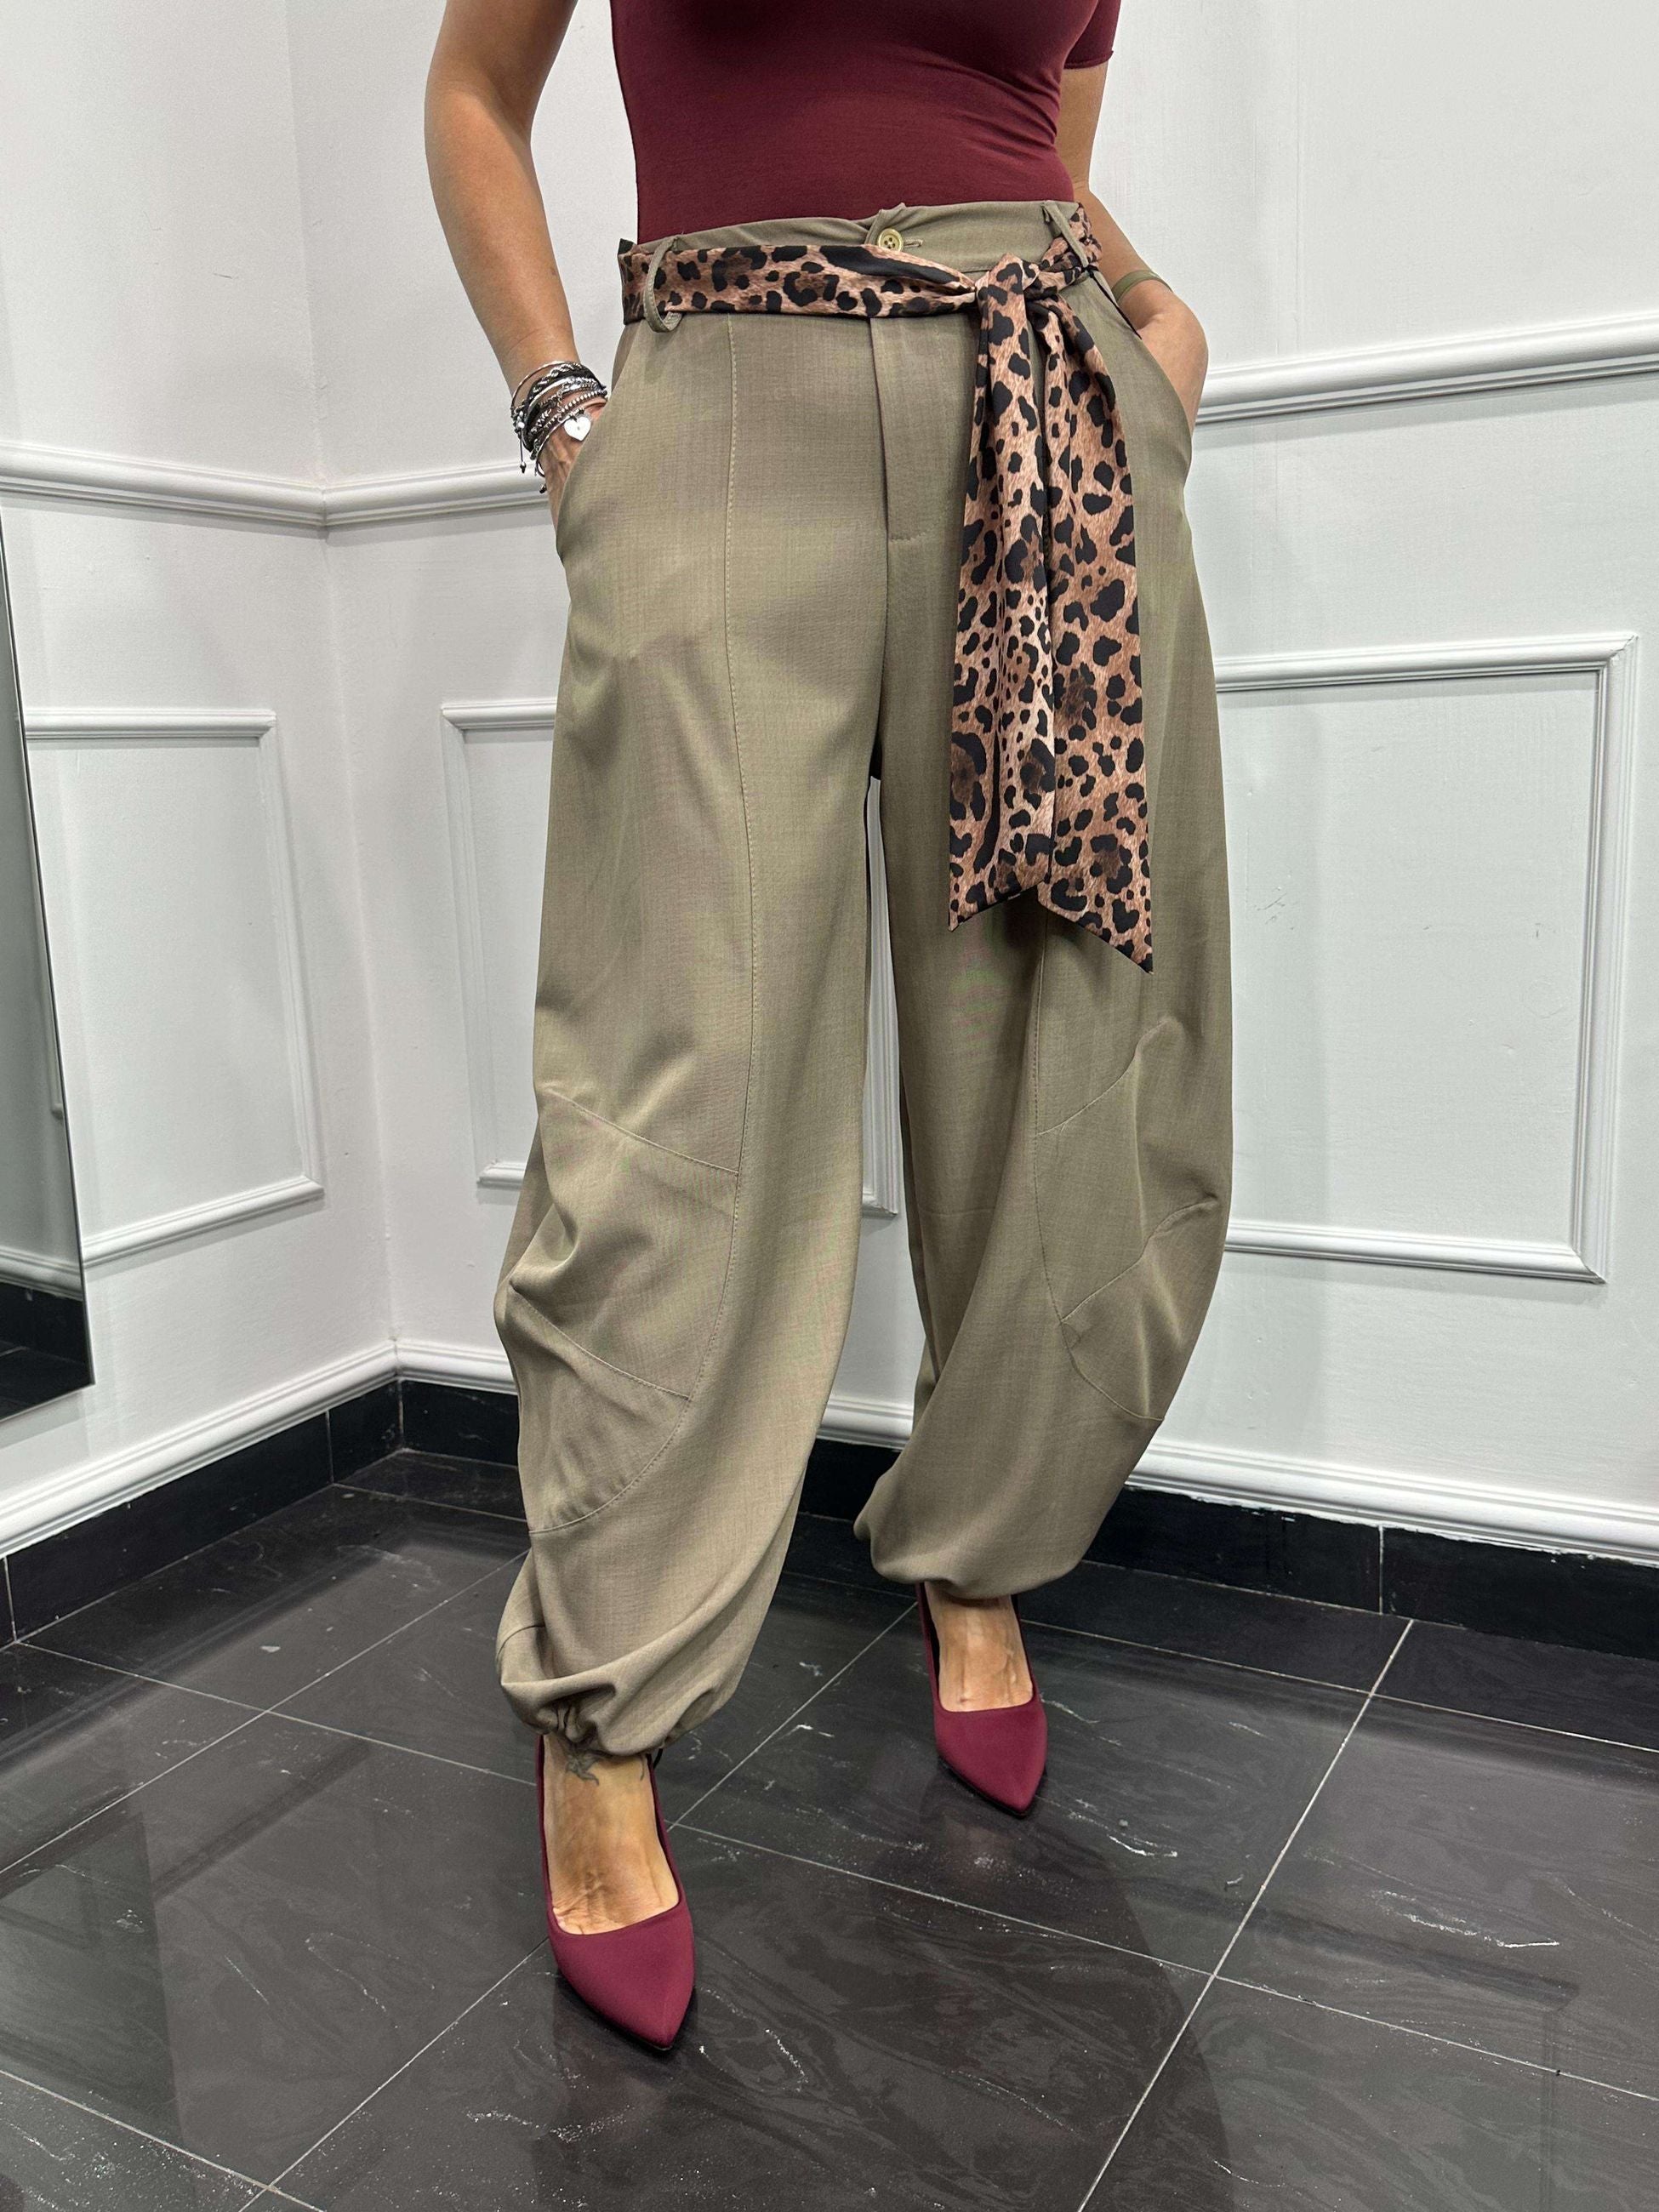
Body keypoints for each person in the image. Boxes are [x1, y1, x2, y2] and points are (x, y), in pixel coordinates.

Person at [425, 0, 1231, 2050]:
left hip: (1047, 415)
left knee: (1063, 1059)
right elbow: (475, 95)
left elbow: (1032, 145)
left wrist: (1150, 312)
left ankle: (979, 1555)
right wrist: (565, 418)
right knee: (673, 1077)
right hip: (722, 403)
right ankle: (603, 1703)